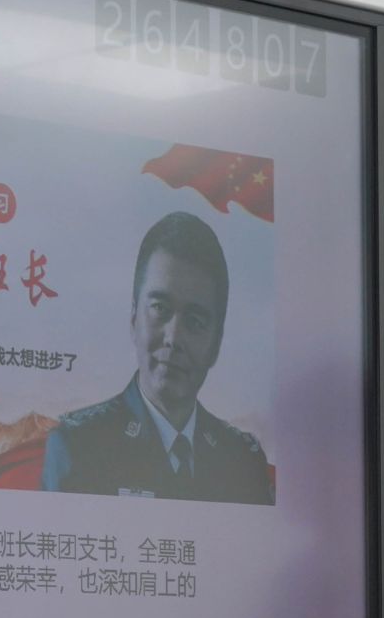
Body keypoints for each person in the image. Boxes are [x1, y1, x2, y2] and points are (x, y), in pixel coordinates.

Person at [41, 210, 273, 505]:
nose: (173, 338)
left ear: (216, 342)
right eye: (161, 309)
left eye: (195, 322)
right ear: (134, 316)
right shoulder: (78, 448)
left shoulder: (242, 463)